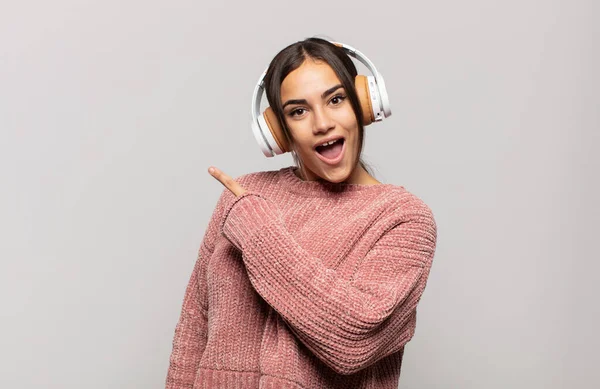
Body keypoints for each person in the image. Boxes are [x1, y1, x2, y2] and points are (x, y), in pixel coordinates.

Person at [165, 37, 437, 389]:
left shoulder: (404, 218)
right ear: (279, 132)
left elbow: (354, 339)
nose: (322, 123)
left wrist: (258, 233)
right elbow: (194, 327)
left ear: (364, 105)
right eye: (298, 111)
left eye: (336, 100)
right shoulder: (243, 195)